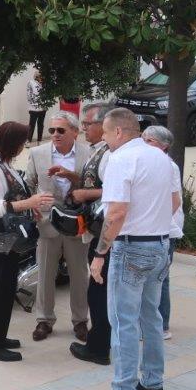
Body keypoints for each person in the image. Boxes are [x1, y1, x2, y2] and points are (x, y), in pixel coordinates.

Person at [86, 108, 180, 390]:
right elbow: (175, 201)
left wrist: (100, 253)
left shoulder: (121, 158)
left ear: (117, 132)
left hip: (131, 247)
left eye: (105, 133)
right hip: (160, 245)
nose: (104, 139)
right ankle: (153, 381)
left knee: (123, 320)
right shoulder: (161, 158)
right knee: (151, 316)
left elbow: (116, 213)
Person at [0, 121, 54, 362]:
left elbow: (12, 192)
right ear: (11, 143)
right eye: (21, 143)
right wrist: (29, 203)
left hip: (6, 240)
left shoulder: (0, 162)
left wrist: (30, 208)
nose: (22, 148)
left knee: (6, 290)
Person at [25, 111, 91, 343]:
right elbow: (29, 183)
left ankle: (80, 320)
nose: (55, 134)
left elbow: (93, 185)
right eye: (52, 130)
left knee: (79, 275)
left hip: (76, 223)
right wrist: (32, 204)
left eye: (61, 130)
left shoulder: (88, 153)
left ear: (74, 132)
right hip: (47, 222)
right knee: (45, 274)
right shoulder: (38, 153)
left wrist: (70, 175)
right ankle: (44, 320)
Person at [66, 103, 114, 366]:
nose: (83, 128)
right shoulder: (98, 150)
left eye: (88, 124)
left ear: (104, 125)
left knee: (99, 290)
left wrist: (85, 194)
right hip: (97, 227)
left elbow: (114, 192)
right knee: (98, 289)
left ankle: (98, 347)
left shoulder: (109, 155)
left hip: (104, 230)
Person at [141, 125, 185, 340]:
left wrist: (154, 222)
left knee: (160, 278)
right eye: (143, 139)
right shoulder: (149, 163)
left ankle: (161, 326)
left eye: (149, 141)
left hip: (165, 230)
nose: (144, 144)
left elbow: (173, 201)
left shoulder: (169, 166)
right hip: (154, 228)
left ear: (164, 146)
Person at [26, 72, 47, 143]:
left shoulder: (44, 84)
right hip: (33, 108)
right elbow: (29, 95)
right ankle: (28, 141)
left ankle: (39, 140)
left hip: (43, 108)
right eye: (40, 76)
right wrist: (35, 102)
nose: (42, 78)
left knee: (41, 125)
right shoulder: (31, 83)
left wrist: (45, 103)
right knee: (32, 125)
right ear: (37, 76)